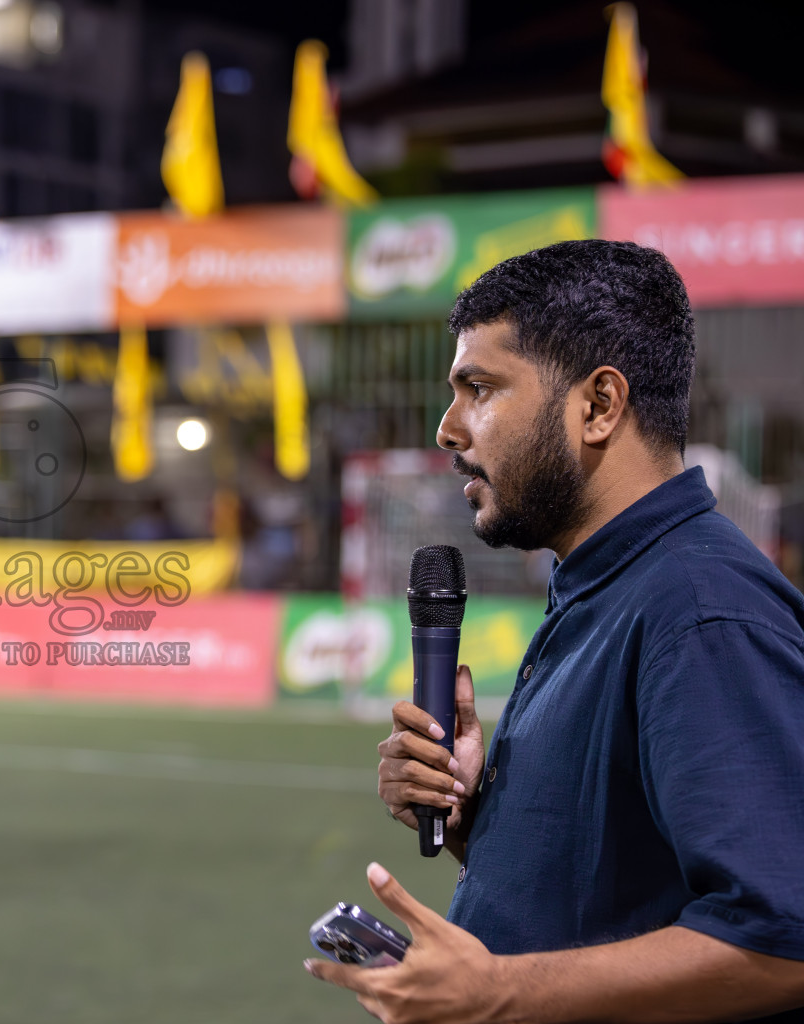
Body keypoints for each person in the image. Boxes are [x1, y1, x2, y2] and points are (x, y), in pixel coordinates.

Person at [307, 240, 804, 1023]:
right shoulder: (605, 579)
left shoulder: (700, 608)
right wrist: (481, 820)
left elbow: (783, 938)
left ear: (600, 406)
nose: (447, 428)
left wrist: (497, 994)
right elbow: (618, 886)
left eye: (479, 388)